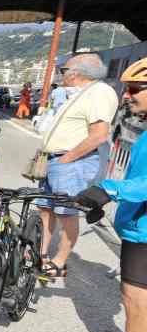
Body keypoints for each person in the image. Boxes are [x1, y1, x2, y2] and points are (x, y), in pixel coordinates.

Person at [74, 58, 147, 332]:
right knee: (137, 299)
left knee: (136, 300)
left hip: (145, 233)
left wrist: (108, 190)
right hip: (138, 226)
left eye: (135, 89)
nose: (127, 95)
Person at [36, 53, 118, 279]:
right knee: (45, 210)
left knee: (66, 213)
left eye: (64, 70)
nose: (62, 74)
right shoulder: (79, 94)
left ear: (76, 74)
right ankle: (40, 254)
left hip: (71, 163)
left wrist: (66, 159)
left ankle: (59, 262)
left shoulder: (100, 92)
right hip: (57, 161)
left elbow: (99, 135)